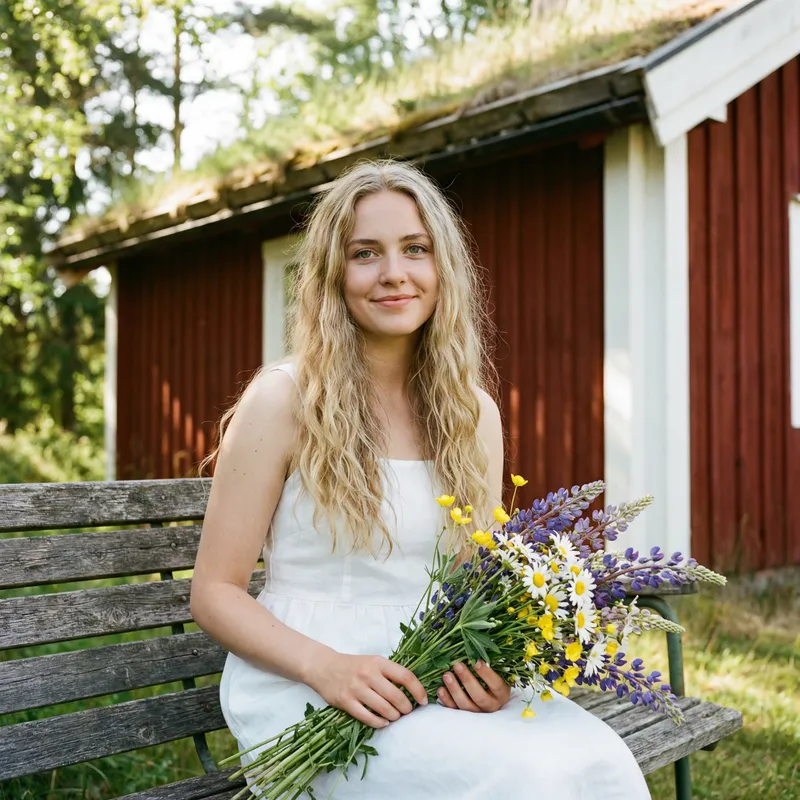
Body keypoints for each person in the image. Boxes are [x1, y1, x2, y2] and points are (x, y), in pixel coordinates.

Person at [190, 159, 651, 799]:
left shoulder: (471, 415)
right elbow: (214, 592)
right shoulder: (283, 400)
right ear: (332, 275)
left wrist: (490, 669)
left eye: (415, 249)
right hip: (306, 689)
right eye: (364, 254)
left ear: (443, 270)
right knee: (523, 779)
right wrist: (329, 669)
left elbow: (473, 588)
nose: (393, 274)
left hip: (425, 678)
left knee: (600, 762)